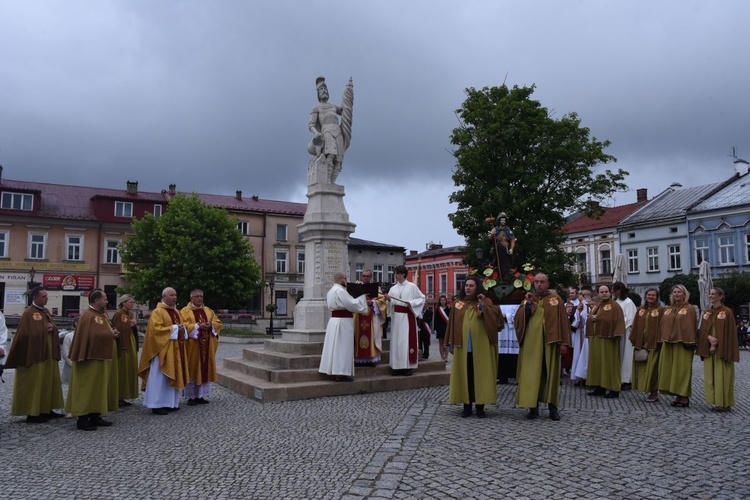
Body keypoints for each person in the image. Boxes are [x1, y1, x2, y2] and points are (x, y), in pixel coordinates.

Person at [514, 273, 571, 420]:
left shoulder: (556, 300)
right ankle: (533, 407)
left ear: (547, 283)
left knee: (550, 373)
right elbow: (518, 320)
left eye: (542, 282)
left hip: (550, 342)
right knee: (532, 374)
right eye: (536, 282)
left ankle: (553, 407)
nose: (539, 284)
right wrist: (527, 307)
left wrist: (564, 343)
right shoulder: (528, 300)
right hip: (531, 344)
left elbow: (564, 322)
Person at [5, 287, 65, 423]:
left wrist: (53, 328)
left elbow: (52, 326)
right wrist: (45, 329)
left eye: (46, 296)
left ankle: (46, 409)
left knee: (48, 381)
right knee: (35, 383)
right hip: (35, 355)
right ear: (35, 298)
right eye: (43, 296)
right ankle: (33, 413)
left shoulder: (46, 312)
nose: (47, 298)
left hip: (48, 354)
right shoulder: (28, 313)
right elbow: (24, 335)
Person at [445, 275, 502, 418]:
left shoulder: (486, 301)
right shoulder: (458, 303)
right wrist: (451, 343)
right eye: (466, 285)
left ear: (477, 288)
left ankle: (480, 406)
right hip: (463, 347)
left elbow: (496, 321)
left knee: (480, 376)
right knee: (466, 376)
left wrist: (482, 305)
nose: (468, 288)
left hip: (481, 347)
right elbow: (452, 324)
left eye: (471, 285)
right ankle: (467, 405)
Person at [65, 289, 120, 431]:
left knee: (99, 388)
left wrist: (112, 332)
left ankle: (96, 416)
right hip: (90, 358)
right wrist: (110, 334)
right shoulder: (88, 316)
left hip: (101, 356)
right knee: (87, 387)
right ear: (97, 301)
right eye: (105, 299)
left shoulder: (101, 315)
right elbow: (90, 336)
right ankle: (83, 420)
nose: (107, 301)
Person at [138, 287, 189, 415]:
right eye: (172, 295)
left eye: (175, 295)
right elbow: (156, 331)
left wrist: (182, 329)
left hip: (175, 350)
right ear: (164, 296)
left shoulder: (176, 312)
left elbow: (180, 326)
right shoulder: (158, 312)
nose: (175, 297)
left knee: (173, 374)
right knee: (159, 377)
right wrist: (176, 328)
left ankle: (170, 403)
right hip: (161, 350)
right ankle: (156, 404)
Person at [319, 272, 369, 381]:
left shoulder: (331, 291)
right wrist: (362, 297)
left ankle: (333, 372)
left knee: (334, 348)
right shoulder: (341, 291)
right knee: (343, 348)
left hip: (334, 322)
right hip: (343, 322)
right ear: (340, 279)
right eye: (345, 278)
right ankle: (340, 373)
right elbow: (352, 304)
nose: (346, 281)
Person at [697, 287, 739, 411]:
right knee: (710, 377)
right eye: (710, 294)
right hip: (709, 350)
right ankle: (716, 401)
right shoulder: (706, 313)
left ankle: (724, 403)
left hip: (722, 350)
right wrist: (709, 338)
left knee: (723, 376)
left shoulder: (727, 312)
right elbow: (702, 330)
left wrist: (716, 344)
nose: (710, 296)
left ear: (720, 297)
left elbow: (730, 333)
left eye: (713, 294)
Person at [657, 284, 697, 408]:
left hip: (683, 344)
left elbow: (691, 326)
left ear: (684, 294)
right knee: (670, 370)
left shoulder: (689, 308)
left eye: (679, 292)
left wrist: (691, 342)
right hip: (668, 343)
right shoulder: (668, 309)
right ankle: (676, 394)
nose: (676, 294)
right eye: (674, 292)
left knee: (682, 370)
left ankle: (684, 396)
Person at [308, 77, 354, 184]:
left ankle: (333, 183)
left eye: (325, 89)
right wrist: (316, 133)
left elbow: (344, 110)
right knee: (331, 155)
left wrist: (347, 93)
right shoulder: (316, 108)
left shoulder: (333, 106)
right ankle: (327, 181)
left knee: (338, 160)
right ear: (318, 94)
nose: (324, 91)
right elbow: (311, 124)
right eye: (321, 90)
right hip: (326, 131)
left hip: (337, 131)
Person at [181, 289, 222, 404]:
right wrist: (198, 326)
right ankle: (191, 397)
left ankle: (200, 395)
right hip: (192, 348)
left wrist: (211, 325)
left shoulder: (208, 311)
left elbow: (218, 323)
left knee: (204, 369)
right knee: (192, 369)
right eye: (197, 296)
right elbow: (183, 326)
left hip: (207, 347)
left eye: (201, 296)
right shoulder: (185, 311)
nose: (200, 298)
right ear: (191, 298)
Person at [384, 265, 426, 376]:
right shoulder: (393, 288)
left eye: (397, 273)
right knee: (396, 342)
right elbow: (392, 304)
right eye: (395, 273)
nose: (395, 275)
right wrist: (389, 300)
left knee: (405, 341)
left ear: (403, 274)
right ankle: (396, 367)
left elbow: (422, 298)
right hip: (396, 318)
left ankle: (407, 366)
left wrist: (411, 303)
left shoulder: (412, 286)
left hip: (407, 318)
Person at [586, 283, 626, 398]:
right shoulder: (599, 305)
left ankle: (614, 388)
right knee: (598, 363)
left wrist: (597, 318)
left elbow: (617, 320)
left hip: (608, 338)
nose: (604, 294)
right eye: (601, 292)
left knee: (610, 364)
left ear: (610, 292)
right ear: (598, 293)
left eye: (606, 291)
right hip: (597, 338)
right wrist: (592, 318)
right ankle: (599, 386)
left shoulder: (614, 306)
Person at [629, 288, 663, 402]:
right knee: (643, 368)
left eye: (653, 295)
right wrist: (636, 340)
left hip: (654, 345)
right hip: (641, 344)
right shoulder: (641, 310)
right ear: (645, 296)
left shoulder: (660, 310)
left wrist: (652, 341)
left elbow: (661, 328)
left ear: (657, 297)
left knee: (653, 369)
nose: (651, 297)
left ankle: (654, 392)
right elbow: (635, 325)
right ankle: (646, 389)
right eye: (649, 295)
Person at [111, 294, 139, 407]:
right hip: (123, 344)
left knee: (129, 369)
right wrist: (129, 324)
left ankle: (125, 395)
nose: (132, 304)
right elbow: (118, 329)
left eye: (133, 302)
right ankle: (118, 396)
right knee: (122, 370)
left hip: (130, 341)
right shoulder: (119, 314)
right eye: (130, 302)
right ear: (123, 302)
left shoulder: (130, 314)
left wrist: (132, 325)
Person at [353, 269, 386, 366]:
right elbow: (351, 298)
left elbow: (382, 301)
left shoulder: (376, 288)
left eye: (368, 276)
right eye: (364, 276)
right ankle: (358, 359)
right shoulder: (357, 286)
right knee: (357, 335)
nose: (366, 278)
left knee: (372, 335)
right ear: (361, 276)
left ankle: (371, 359)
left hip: (371, 315)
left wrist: (372, 302)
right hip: (358, 316)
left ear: (371, 277)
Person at [611, 282, 637, 390]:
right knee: (619, 356)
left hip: (625, 333)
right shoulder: (616, 302)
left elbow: (630, 318)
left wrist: (619, 327)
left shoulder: (628, 302)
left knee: (626, 356)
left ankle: (627, 380)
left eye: (613, 289)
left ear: (619, 290)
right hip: (617, 332)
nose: (612, 291)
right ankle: (619, 378)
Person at [570, 288, 590, 386]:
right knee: (578, 354)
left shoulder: (590, 305)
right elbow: (575, 322)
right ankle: (579, 377)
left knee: (586, 356)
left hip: (587, 333)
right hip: (579, 333)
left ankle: (587, 377)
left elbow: (587, 315)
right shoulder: (577, 307)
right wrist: (578, 311)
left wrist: (584, 305)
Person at [487, 212, 516, 278]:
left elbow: (512, 240)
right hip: (498, 249)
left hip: (506, 249)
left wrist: (511, 249)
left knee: (506, 265)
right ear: (499, 221)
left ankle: (506, 277)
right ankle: (498, 277)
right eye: (502, 220)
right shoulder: (495, 229)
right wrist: (492, 234)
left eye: (504, 220)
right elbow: (490, 240)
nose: (503, 221)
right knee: (497, 264)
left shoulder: (508, 230)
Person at [433, 295, 451, 362]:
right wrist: (435, 329)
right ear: (439, 301)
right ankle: (442, 357)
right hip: (439, 329)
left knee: (446, 344)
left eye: (444, 300)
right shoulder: (437, 309)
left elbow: (451, 319)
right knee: (441, 344)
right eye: (441, 300)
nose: (442, 301)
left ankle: (446, 357)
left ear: (446, 301)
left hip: (447, 328)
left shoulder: (449, 308)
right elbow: (435, 320)